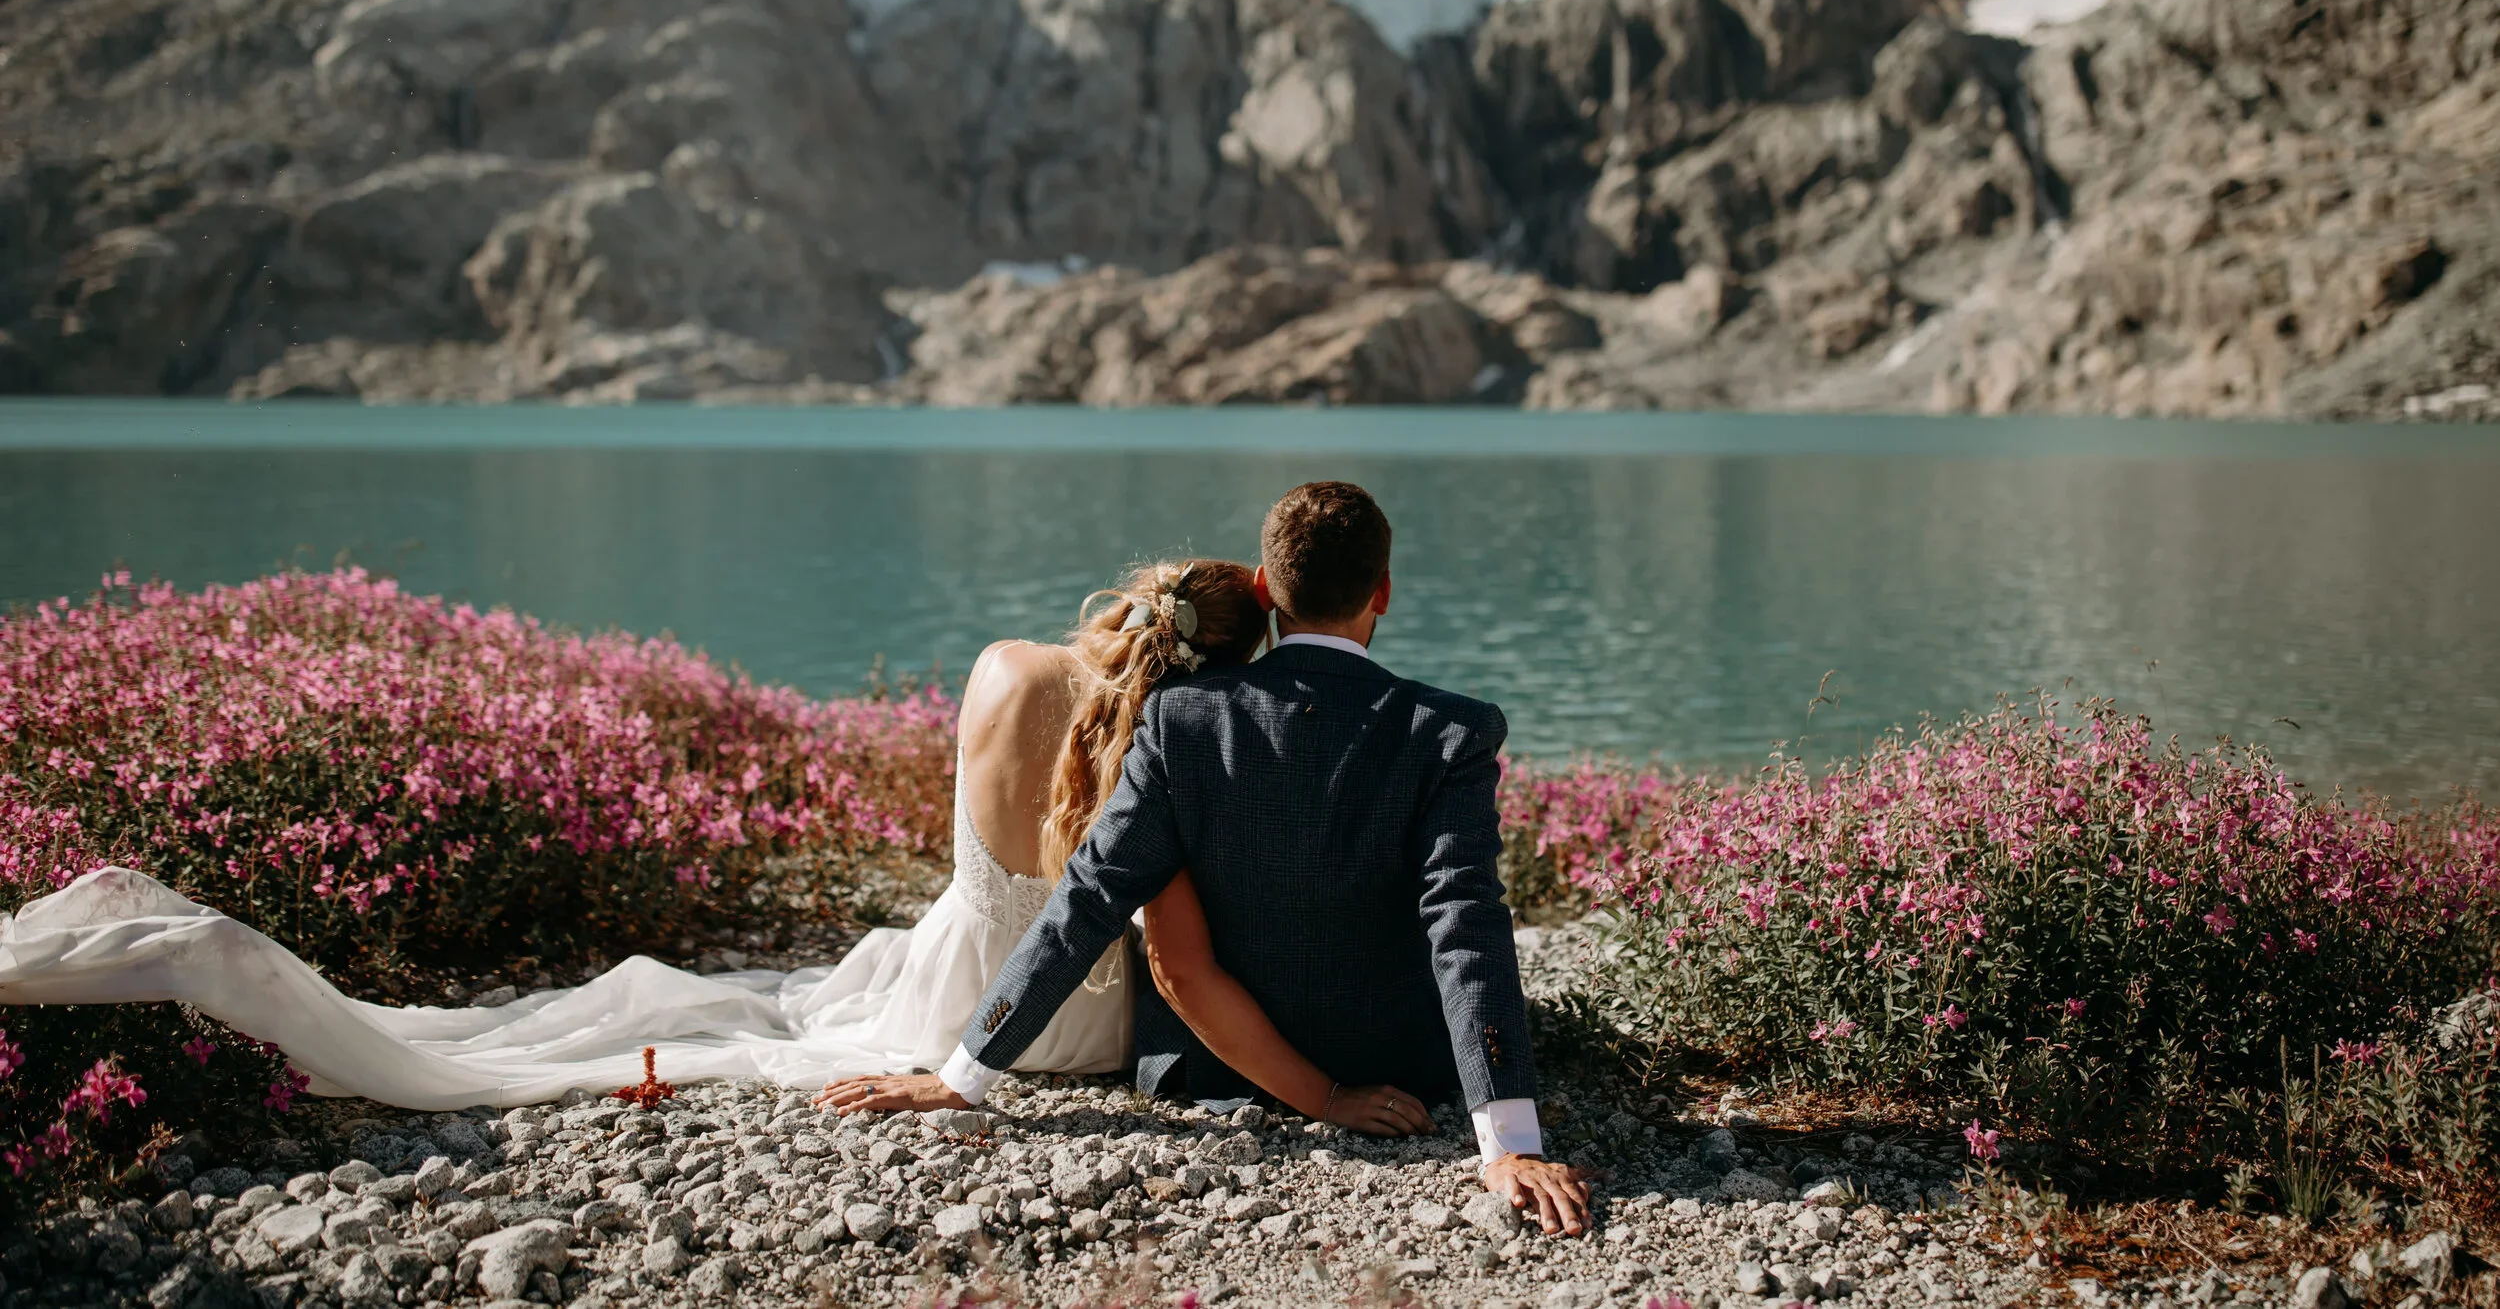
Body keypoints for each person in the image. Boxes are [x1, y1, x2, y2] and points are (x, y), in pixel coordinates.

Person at [0, 558, 1437, 1130]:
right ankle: (208, 967)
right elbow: (1174, 973)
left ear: (1127, 605)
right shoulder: (1172, 746)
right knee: (561, 1053)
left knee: (614, 1015)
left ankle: (184, 944)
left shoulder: (1006, 670)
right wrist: (1327, 1093)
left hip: (948, 970)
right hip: (1047, 1034)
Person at [818, 482, 1594, 1236]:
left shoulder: (1183, 718)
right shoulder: (1451, 731)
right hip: (1401, 1078)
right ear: (1383, 591)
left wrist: (963, 1076)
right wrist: (1510, 1142)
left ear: (1265, 585)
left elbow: (1088, 901)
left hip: (1216, 1075)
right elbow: (1467, 925)